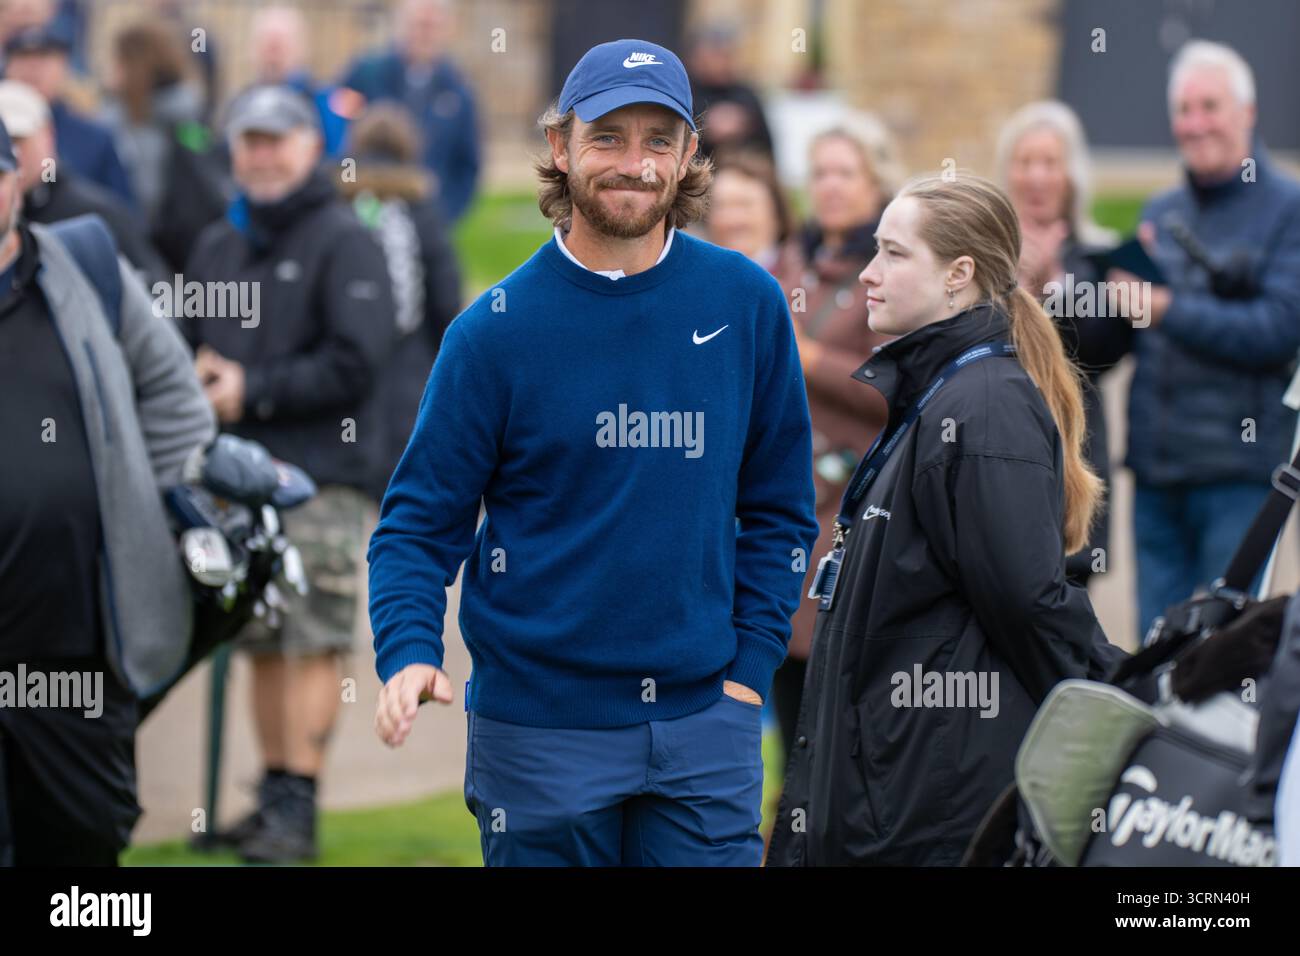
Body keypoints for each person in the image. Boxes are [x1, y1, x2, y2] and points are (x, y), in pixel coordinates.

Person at [368, 39, 818, 867]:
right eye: (607, 136)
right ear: (560, 147)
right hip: (537, 732)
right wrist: (408, 650)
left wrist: (747, 674)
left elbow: (781, 510)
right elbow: (417, 525)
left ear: (688, 156)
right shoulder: (492, 333)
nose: (634, 163)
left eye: (658, 140)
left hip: (704, 727)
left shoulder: (746, 303)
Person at [767, 173, 1126, 866]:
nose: (869, 274)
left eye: (895, 255)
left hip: (929, 810)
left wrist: (1122, 699)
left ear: (959, 274)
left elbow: (1028, 604)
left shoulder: (982, 406)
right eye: (875, 251)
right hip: (901, 790)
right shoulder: (942, 389)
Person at [180, 84, 396, 864]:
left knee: (308, 640)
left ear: (311, 147)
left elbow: (358, 361)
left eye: (277, 140)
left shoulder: (346, 240)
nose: (261, 155)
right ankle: (273, 794)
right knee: (260, 639)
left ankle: (297, 809)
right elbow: (189, 341)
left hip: (320, 477)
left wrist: (254, 389)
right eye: (249, 141)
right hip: (235, 484)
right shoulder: (218, 245)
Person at [0, 111, 216, 865]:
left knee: (84, 844)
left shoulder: (83, 264)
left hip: (75, 646)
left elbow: (175, 395)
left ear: (14, 181)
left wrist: (145, 505)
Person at [1123, 41, 1300, 638]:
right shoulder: (1161, 208)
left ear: (1247, 113)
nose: (1194, 123)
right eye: (1183, 109)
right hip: (1156, 478)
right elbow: (1127, 336)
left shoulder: (1290, 209)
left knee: (1227, 656)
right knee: (1153, 654)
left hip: (1241, 477)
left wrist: (1167, 308)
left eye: (1209, 106)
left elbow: (1278, 330)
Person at [770, 114, 903, 764]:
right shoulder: (795, 259)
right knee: (784, 679)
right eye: (820, 172)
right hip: (786, 488)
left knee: (835, 673)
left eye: (845, 172)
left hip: (855, 495)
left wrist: (812, 359)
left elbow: (897, 384)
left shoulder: (893, 266)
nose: (830, 186)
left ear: (876, 180)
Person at [997, 100, 1126, 588]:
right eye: (1025, 162)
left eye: (1050, 163)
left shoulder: (1098, 256)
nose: (1037, 176)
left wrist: (1054, 284)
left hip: (1072, 453)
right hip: (998, 443)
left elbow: (1104, 351)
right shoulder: (985, 255)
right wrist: (1016, 285)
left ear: (1071, 174)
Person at [338, 103, 462, 503]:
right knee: (404, 458)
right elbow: (445, 296)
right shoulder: (422, 209)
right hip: (410, 358)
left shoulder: (340, 207)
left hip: (348, 354)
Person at [0, 79, 166, 283]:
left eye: (17, 139)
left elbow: (152, 290)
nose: (12, 155)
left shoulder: (95, 214)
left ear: (47, 136)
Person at [100, 21, 229, 273]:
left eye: (116, 60)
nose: (108, 70)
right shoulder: (189, 113)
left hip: (159, 254)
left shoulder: (149, 123)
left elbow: (147, 197)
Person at [339, 0, 480, 223]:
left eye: (432, 26)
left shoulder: (458, 92)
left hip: (429, 215)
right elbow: (337, 125)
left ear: (446, 29)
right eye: (419, 24)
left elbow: (467, 165)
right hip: (368, 210)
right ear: (401, 25)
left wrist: (444, 215)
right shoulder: (366, 74)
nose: (425, 34)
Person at [3, 19, 136, 207]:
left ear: (63, 66)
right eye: (23, 57)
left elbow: (120, 212)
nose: (33, 68)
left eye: (44, 58)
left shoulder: (94, 138)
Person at [250, 5, 351, 157]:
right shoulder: (243, 101)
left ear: (301, 48)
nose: (272, 56)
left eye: (279, 46)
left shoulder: (325, 103)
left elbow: (336, 159)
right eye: (267, 46)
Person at [687, 23, 774, 162]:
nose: (722, 62)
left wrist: (745, 125)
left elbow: (766, 146)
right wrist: (706, 126)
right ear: (698, 57)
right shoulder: (687, 92)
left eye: (727, 55)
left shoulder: (747, 95)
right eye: (715, 55)